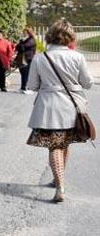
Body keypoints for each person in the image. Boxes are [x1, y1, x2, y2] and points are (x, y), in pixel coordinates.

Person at [26, 19, 93, 203]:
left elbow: (32, 85)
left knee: (54, 145)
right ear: (70, 37)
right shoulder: (77, 57)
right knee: (65, 143)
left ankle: (60, 185)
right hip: (73, 106)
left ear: (50, 36)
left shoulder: (40, 58)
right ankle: (58, 179)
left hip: (49, 107)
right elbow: (87, 83)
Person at [15, 27, 37, 94]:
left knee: (26, 73)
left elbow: (24, 47)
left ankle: (27, 87)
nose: (24, 33)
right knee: (22, 73)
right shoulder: (23, 40)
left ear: (29, 33)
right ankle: (22, 87)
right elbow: (17, 47)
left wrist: (21, 43)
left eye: (25, 32)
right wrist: (21, 44)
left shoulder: (32, 40)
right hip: (21, 59)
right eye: (23, 32)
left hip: (28, 59)